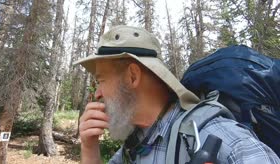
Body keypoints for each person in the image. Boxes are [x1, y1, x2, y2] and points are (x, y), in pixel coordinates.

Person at [74, 25, 280, 164]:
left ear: (132, 76)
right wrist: (90, 147)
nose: (98, 93)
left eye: (101, 80)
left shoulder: (212, 135)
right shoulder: (136, 144)